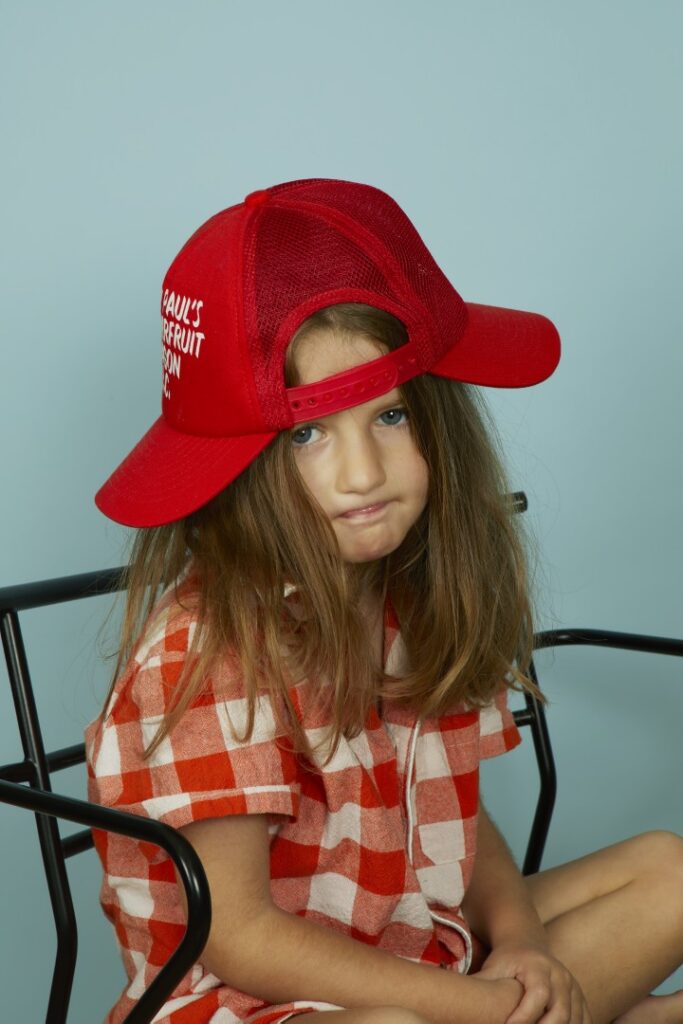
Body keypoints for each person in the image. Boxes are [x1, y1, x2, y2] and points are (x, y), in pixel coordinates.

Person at [86, 179, 683, 1024]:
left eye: (391, 416)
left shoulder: (412, 597)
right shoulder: (210, 650)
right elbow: (239, 937)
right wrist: (475, 1007)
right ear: (237, 465)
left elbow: (455, 828)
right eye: (307, 433)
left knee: (668, 870)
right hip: (251, 1001)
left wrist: (522, 946)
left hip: (414, 947)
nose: (362, 473)